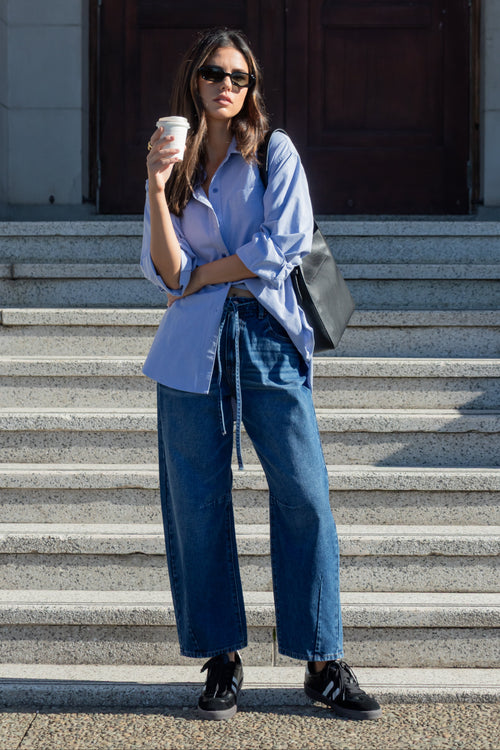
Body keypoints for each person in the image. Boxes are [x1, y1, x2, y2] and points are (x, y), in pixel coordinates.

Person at [141, 27, 381, 722]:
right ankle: (221, 660)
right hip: (191, 349)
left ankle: (323, 661)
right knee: (197, 505)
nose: (226, 85)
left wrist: (200, 276)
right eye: (215, 72)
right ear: (194, 80)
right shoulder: (176, 161)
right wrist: (157, 186)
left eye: (239, 77)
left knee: (305, 496)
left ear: (251, 88)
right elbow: (164, 269)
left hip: (269, 337)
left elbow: (277, 249)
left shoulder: (273, 153)